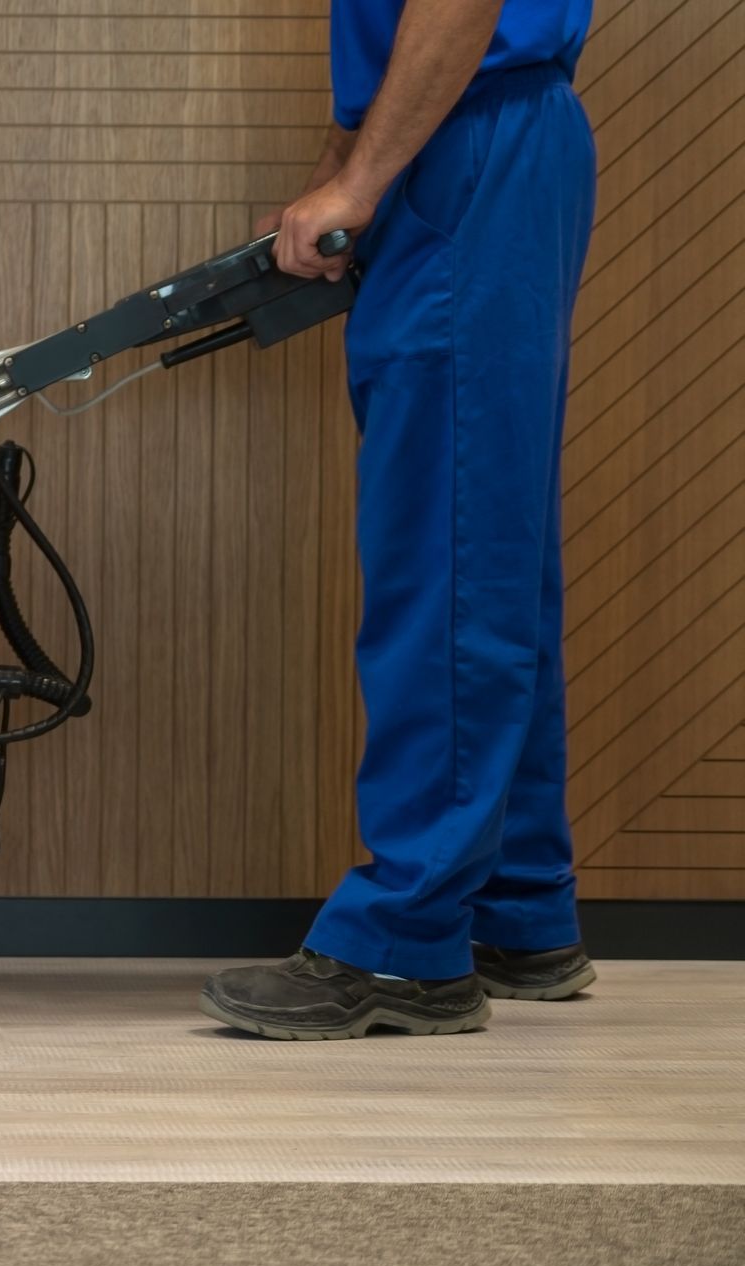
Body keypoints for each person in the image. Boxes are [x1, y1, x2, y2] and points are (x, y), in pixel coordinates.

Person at [200, 0, 600, 1040]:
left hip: (471, 142)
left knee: (451, 548)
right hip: (464, 135)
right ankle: (518, 905)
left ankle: (407, 943)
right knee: (489, 535)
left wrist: (364, 179)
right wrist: (345, 171)